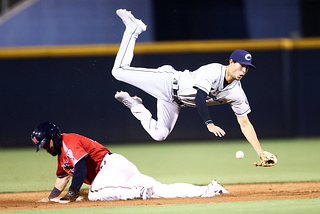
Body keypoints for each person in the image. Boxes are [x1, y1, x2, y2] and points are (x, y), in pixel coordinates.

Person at [112, 9, 266, 158]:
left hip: (174, 102)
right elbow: (200, 97)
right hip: (167, 82)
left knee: (160, 135)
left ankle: (136, 105)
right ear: (231, 62)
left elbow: (245, 124)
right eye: (241, 65)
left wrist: (261, 152)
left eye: (247, 68)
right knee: (118, 71)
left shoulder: (236, 93)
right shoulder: (213, 70)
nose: (244, 70)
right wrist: (209, 123)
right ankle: (133, 29)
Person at [31, 121, 229, 203]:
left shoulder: (69, 141)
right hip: (117, 169)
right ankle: (210, 189)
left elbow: (81, 168)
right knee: (161, 189)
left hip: (110, 168)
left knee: (94, 194)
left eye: (45, 144)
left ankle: (139, 193)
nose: (46, 148)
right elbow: (62, 178)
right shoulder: (62, 156)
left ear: (54, 136)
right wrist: (50, 198)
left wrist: (73, 194)